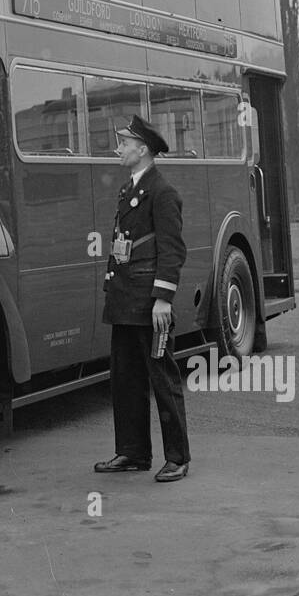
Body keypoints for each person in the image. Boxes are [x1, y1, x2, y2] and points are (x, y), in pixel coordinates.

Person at [94, 113, 190, 482]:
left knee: (162, 378)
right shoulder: (128, 189)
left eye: (124, 143)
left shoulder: (163, 193)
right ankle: (133, 452)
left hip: (150, 305)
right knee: (126, 378)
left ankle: (178, 457)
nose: (118, 149)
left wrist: (163, 299)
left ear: (143, 149)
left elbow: (172, 250)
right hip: (125, 300)